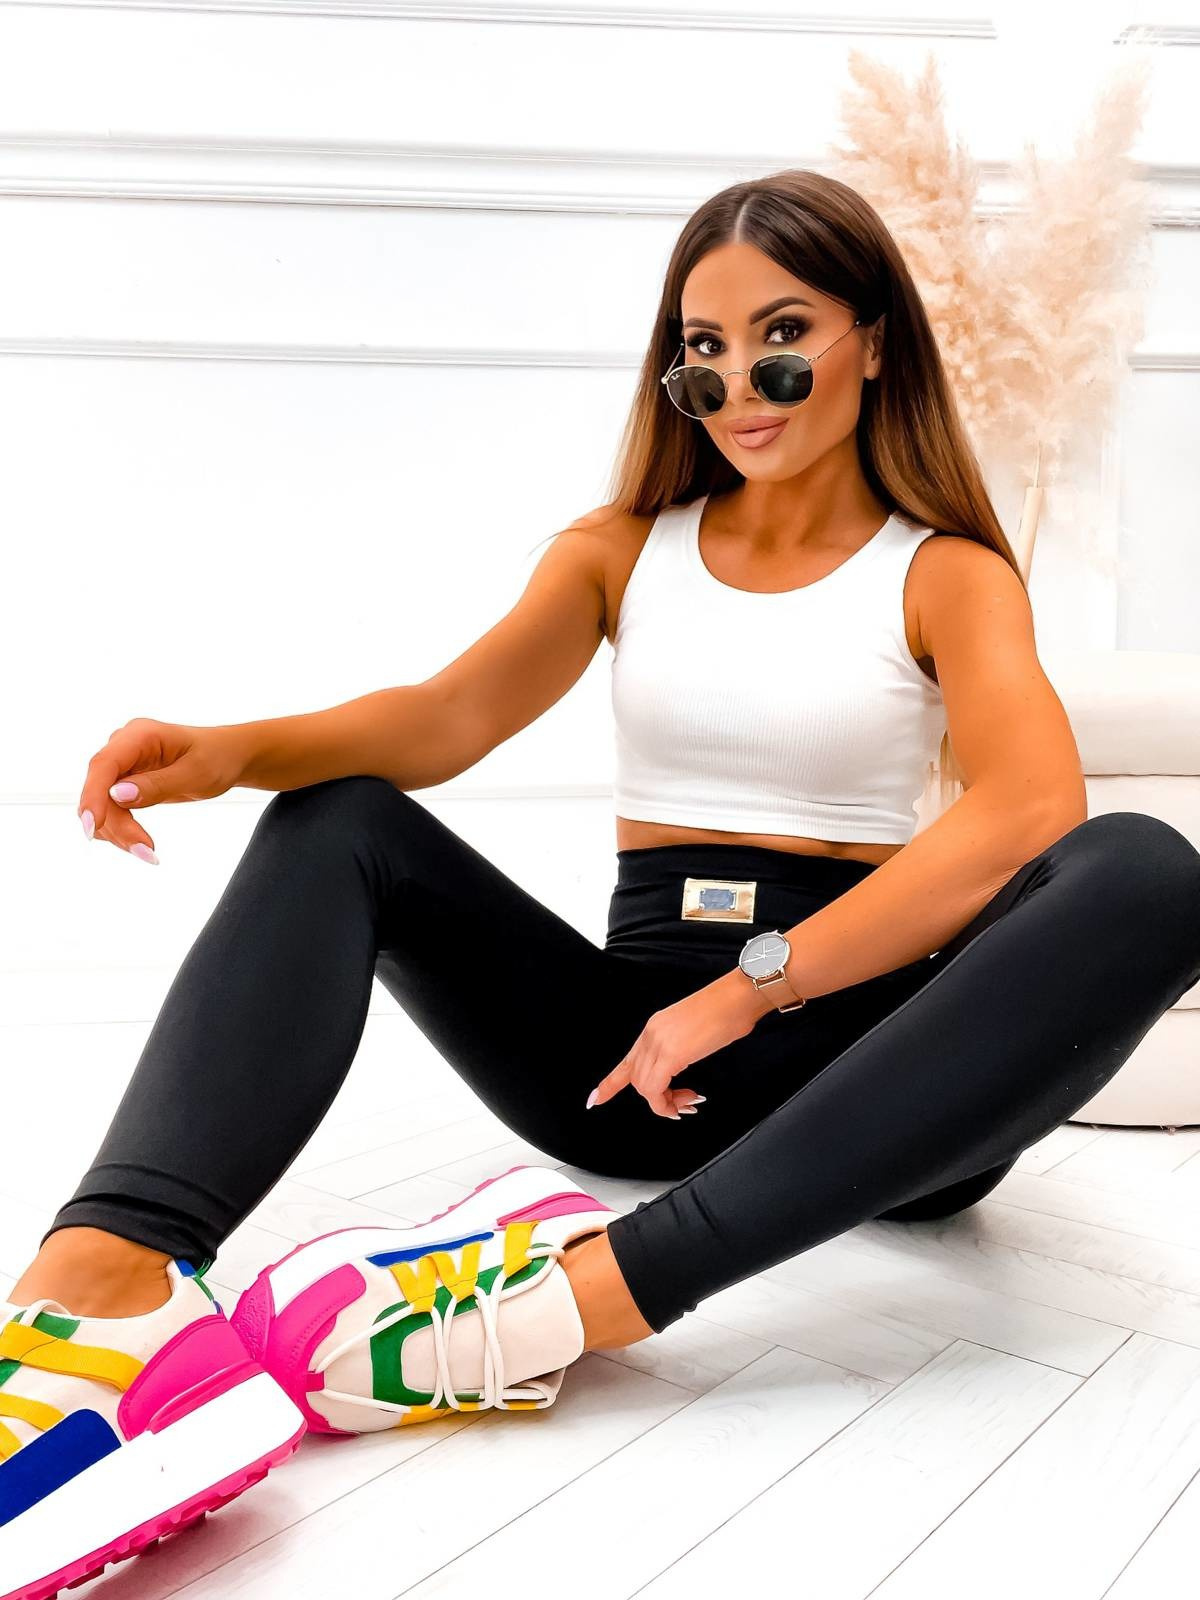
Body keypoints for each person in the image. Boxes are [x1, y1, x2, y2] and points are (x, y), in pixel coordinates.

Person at [4, 168, 1199, 1597]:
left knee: (1147, 870)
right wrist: (232, 751)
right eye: (702, 348)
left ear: (875, 340)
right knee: (335, 820)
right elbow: (445, 720)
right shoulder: (623, 551)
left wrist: (747, 992)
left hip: (875, 1079)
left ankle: (572, 1307)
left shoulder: (945, 574)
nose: (739, 384)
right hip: (625, 1067)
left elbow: (1027, 808)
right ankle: (98, 1291)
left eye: (783, 334)